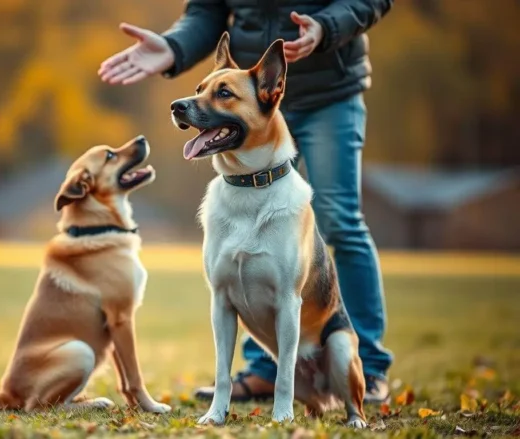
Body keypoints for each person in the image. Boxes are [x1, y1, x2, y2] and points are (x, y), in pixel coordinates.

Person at [98, 0, 394, 404]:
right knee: (249, 246)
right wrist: (174, 47)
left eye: (210, 92)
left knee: (340, 219)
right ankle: (263, 370)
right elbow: (207, 10)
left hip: (329, 88)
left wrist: (326, 28)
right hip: (244, 83)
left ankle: (368, 367)